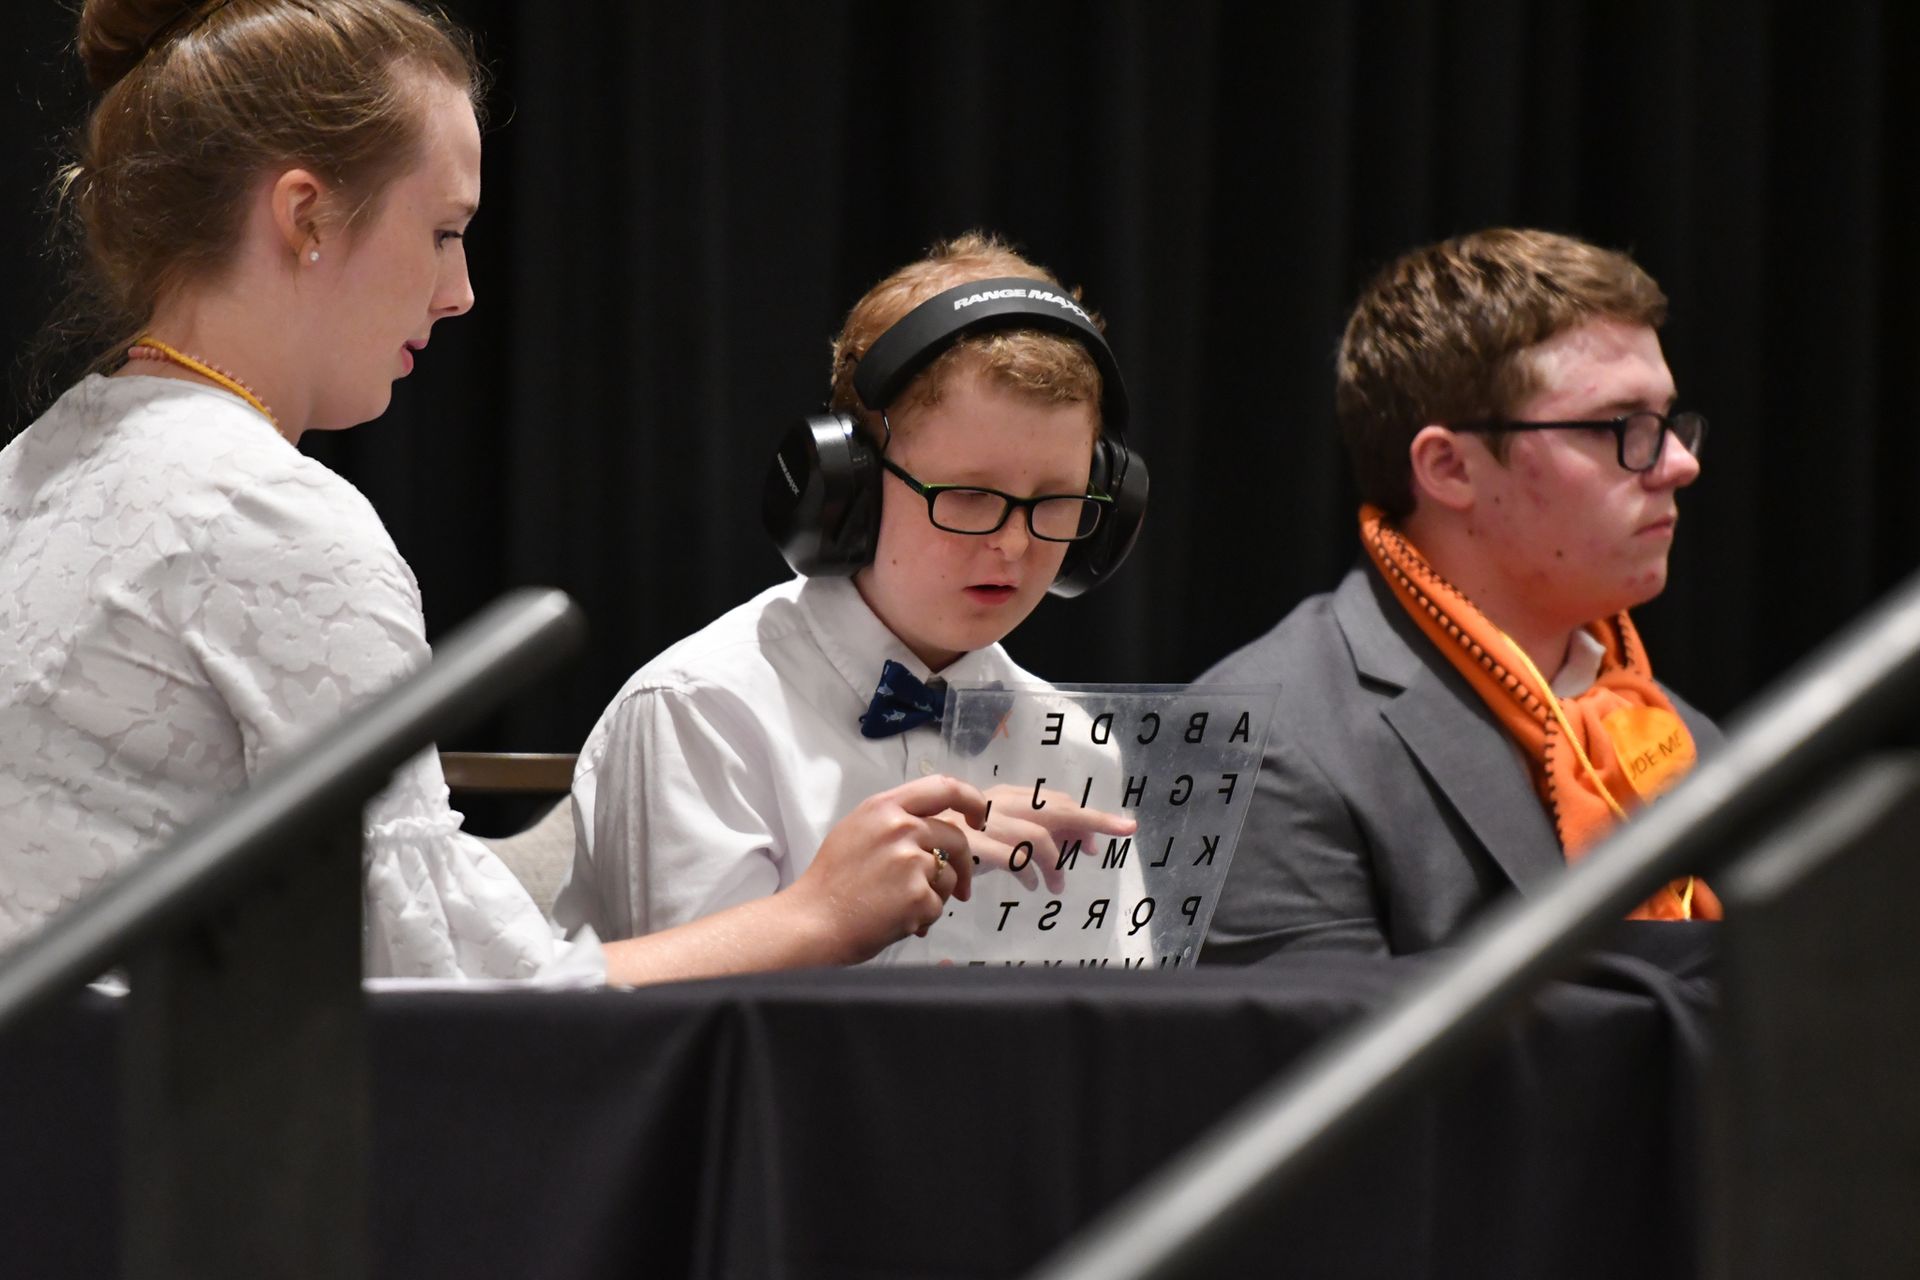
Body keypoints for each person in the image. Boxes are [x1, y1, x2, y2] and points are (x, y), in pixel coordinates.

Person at [0, 0, 986, 983]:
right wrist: (815, 916)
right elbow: (455, 998)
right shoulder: (268, 515)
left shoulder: (32, 464)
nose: (461, 290)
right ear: (305, 215)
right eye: (442, 231)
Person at [559, 233, 1143, 962]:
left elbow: (1120, 1005)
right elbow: (693, 1016)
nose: (1015, 544)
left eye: (1057, 500)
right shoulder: (704, 712)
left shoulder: (1078, 747)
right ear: (848, 488)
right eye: (968, 495)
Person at [1199, 227, 1722, 961]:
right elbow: (1330, 1038)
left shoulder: (1680, 733)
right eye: (1623, 426)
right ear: (1449, 468)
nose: (1678, 464)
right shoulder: (1263, 742)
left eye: (1668, 421)